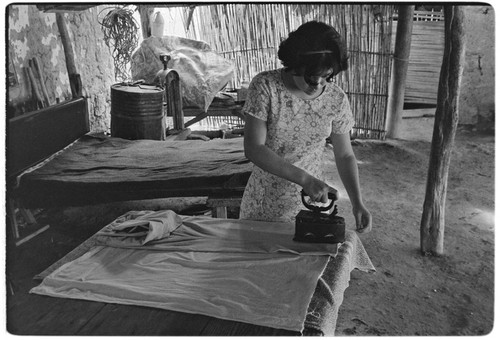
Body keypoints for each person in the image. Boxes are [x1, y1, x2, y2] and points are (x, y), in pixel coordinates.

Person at [239, 21, 372, 234]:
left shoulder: (335, 99)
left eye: (327, 77)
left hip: (313, 202)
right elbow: (254, 148)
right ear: (295, 63)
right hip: (265, 204)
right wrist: (305, 179)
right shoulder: (266, 87)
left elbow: (345, 155)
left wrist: (357, 202)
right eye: (311, 78)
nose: (319, 85)